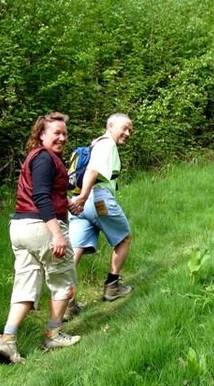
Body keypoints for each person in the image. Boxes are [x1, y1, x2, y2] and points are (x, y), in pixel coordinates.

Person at [0, 112, 81, 365]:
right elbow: (41, 197)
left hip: (19, 227)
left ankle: (7, 341)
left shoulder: (38, 157)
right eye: (57, 133)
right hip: (41, 227)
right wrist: (56, 234)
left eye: (65, 133)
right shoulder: (45, 158)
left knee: (26, 284)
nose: (62, 137)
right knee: (63, 279)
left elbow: (43, 193)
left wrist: (68, 203)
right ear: (41, 134)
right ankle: (53, 333)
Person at [64, 113, 133, 319]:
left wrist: (80, 198)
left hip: (78, 203)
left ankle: (66, 303)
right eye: (125, 128)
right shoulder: (107, 144)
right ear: (110, 126)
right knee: (123, 237)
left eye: (130, 130)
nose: (128, 133)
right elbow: (93, 170)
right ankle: (112, 287)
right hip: (95, 199)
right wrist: (85, 196)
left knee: (75, 251)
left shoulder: (94, 144)